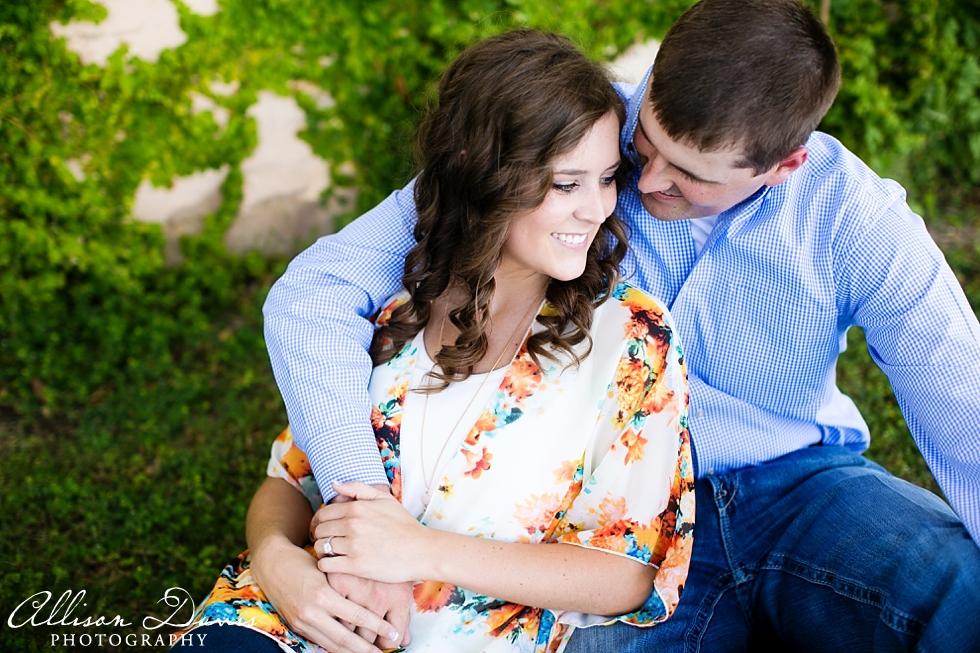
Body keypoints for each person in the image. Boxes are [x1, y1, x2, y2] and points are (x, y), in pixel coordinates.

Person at [255, 0, 980, 651]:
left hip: (798, 482)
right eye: (649, 141)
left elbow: (964, 408)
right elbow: (316, 290)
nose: (646, 182)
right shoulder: (577, 152)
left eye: (690, 173)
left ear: (784, 164)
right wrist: (363, 507)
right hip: (602, 506)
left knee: (955, 588)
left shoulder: (857, 222)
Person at [178, 29, 694, 653]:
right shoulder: (389, 304)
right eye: (565, 184)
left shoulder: (631, 340)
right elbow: (289, 482)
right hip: (295, 617)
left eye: (607, 177)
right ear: (479, 174)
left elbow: (625, 576)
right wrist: (276, 564)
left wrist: (418, 552)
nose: (596, 208)